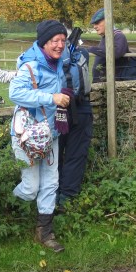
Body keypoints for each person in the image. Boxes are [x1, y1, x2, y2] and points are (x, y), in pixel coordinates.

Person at [9, 20, 71, 252]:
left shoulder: (58, 64)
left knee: (51, 183)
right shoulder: (31, 66)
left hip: (51, 133)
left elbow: (59, 91)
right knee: (30, 187)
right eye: (55, 41)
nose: (59, 45)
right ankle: (6, 207)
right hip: (27, 136)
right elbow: (15, 93)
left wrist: (64, 97)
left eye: (63, 41)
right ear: (44, 42)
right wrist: (51, 98)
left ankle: (45, 232)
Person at [56, 35, 93, 212]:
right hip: (81, 106)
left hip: (56, 107)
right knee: (76, 154)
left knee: (54, 153)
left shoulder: (47, 55)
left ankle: (52, 195)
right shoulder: (82, 53)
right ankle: (67, 199)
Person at [87, 7, 131, 83]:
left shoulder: (119, 36)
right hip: (102, 83)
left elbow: (116, 53)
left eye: (97, 23)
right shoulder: (106, 37)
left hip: (113, 85)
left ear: (108, 21)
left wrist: (92, 49)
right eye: (94, 24)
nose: (94, 27)